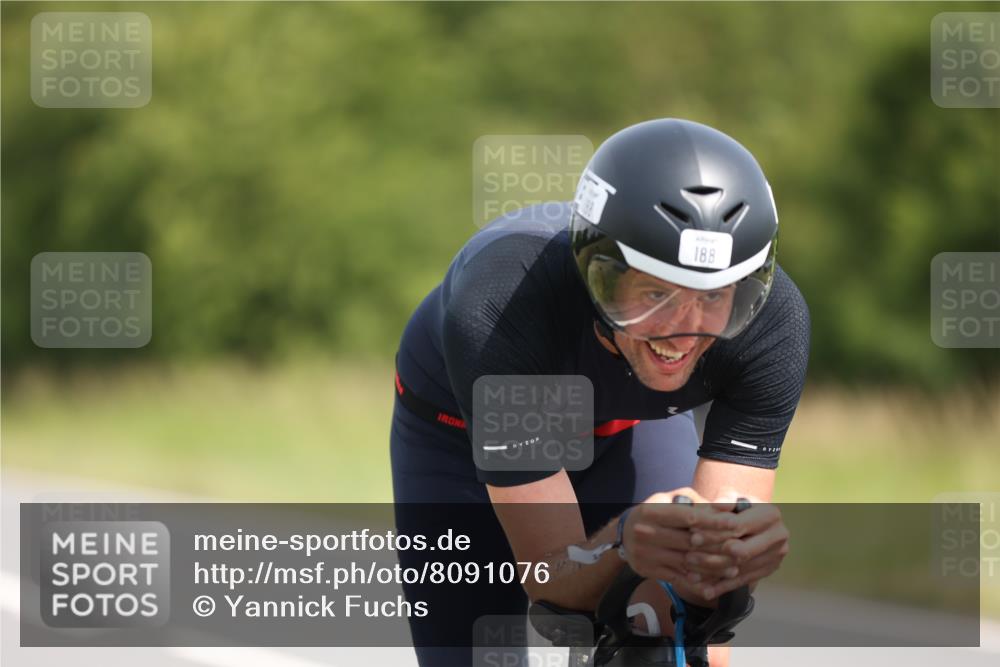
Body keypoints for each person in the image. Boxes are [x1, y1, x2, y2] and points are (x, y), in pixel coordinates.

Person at [390, 118, 810, 666]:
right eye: (656, 292)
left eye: (715, 297)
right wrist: (626, 543)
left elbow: (708, 579)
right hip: (456, 437)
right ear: (597, 275)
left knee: (680, 638)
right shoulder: (498, 306)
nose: (684, 329)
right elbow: (551, 578)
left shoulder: (773, 327)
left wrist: (716, 569)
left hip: (628, 423)